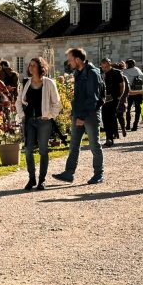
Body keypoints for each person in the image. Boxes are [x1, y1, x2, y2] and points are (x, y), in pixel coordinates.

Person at [52, 48, 105, 185]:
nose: (69, 63)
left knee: (94, 145)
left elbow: (93, 98)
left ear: (77, 59)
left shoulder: (92, 73)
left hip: (90, 114)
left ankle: (98, 174)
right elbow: (79, 96)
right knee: (74, 144)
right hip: (78, 114)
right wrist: (74, 112)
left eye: (70, 59)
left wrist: (82, 116)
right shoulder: (78, 72)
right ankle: (69, 173)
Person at [15, 57, 62, 190]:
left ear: (40, 67)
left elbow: (56, 103)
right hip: (29, 121)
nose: (31, 68)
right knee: (28, 150)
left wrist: (50, 115)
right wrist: (22, 116)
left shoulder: (49, 83)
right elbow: (18, 101)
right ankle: (31, 178)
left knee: (43, 150)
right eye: (30, 66)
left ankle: (42, 180)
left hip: (43, 122)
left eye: (34, 66)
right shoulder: (26, 83)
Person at [99, 58, 125, 147]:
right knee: (105, 117)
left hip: (114, 98)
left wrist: (119, 96)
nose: (104, 68)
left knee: (111, 116)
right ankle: (110, 136)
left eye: (105, 66)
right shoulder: (101, 73)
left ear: (109, 64)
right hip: (104, 99)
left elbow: (122, 85)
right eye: (102, 66)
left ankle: (110, 137)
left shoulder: (116, 73)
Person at [123, 59, 143, 132]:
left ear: (128, 64)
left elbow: (124, 83)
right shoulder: (139, 71)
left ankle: (128, 125)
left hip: (130, 93)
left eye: (126, 64)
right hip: (139, 92)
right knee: (138, 109)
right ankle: (135, 125)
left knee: (128, 109)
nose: (125, 65)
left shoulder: (125, 72)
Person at [115, 61, 130, 138]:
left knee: (114, 116)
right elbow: (127, 90)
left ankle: (116, 132)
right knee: (120, 116)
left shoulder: (113, 77)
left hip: (115, 99)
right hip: (122, 100)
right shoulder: (124, 78)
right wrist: (124, 97)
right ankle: (122, 128)